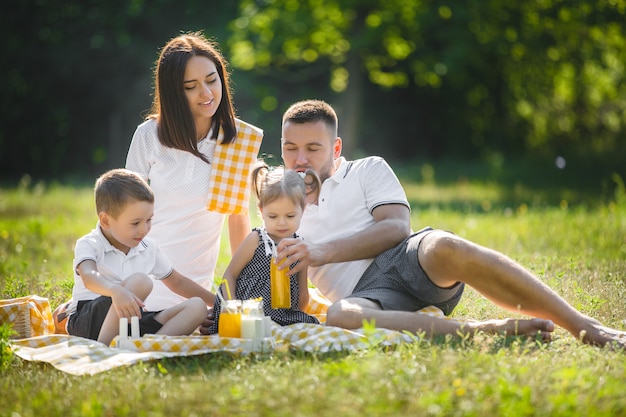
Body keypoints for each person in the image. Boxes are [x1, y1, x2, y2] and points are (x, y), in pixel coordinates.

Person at [273, 99, 626, 348]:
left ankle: (584, 325)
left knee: (444, 244)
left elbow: (396, 228)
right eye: (290, 148)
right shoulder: (281, 208)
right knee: (339, 315)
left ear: (335, 149)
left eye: (312, 148)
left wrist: (320, 251)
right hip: (367, 298)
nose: (300, 159)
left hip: (407, 260)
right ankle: (482, 329)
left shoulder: (367, 169)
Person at [125, 31, 262, 311]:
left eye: (212, 80)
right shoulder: (149, 135)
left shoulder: (235, 139)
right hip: (139, 279)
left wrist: (242, 289)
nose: (207, 93)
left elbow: (238, 219)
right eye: (191, 86)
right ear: (174, 92)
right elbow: (122, 212)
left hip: (194, 291)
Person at [66, 168, 215, 346]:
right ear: (106, 221)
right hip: (90, 320)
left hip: (130, 321)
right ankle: (103, 348)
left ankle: (150, 347)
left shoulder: (148, 247)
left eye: (149, 220)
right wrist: (116, 291)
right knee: (141, 282)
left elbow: (178, 283)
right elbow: (89, 276)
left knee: (197, 307)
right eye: (135, 223)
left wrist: (220, 303)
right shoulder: (90, 243)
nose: (144, 229)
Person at [207, 163, 321, 334]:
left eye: (290, 216)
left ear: (302, 210)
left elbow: (302, 292)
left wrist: (296, 315)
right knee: (255, 330)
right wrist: (232, 309)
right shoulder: (256, 239)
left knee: (312, 327)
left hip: (282, 313)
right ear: (261, 210)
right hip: (248, 311)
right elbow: (229, 275)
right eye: (273, 216)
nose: (282, 222)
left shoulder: (299, 246)